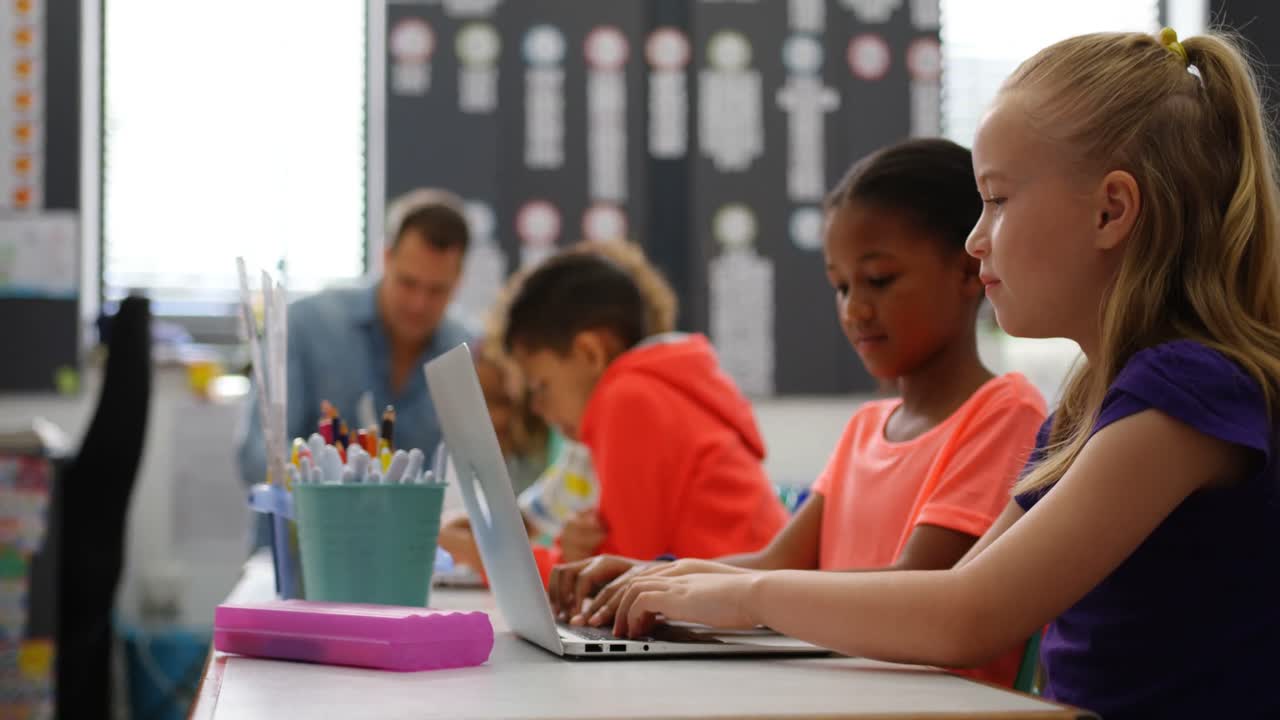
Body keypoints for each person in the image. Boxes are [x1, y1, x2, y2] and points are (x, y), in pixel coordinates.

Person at [573, 29, 1280, 719]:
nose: (976, 239)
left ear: (1110, 210)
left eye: (997, 200)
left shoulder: (1189, 394)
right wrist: (684, 579)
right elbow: (962, 589)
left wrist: (746, 595)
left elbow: (967, 616)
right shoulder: (1087, 405)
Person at [547, 139, 1047, 687]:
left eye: (879, 279)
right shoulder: (865, 428)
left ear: (969, 271)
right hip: (839, 693)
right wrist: (650, 577)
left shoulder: (1004, 414)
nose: (855, 308)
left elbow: (916, 587)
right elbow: (775, 564)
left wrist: (727, 592)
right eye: (841, 286)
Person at [504, 250, 788, 583]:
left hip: (743, 607)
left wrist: (497, 559)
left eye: (541, 386)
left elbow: (620, 582)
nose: (537, 408)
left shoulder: (626, 400)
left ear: (590, 353)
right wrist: (578, 555)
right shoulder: (653, 391)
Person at [236, 189, 471, 549]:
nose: (418, 303)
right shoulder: (306, 325)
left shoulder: (464, 353)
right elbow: (257, 453)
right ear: (385, 258)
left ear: (459, 281)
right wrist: (340, 506)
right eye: (408, 282)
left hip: (405, 559)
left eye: (437, 290)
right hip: (299, 556)